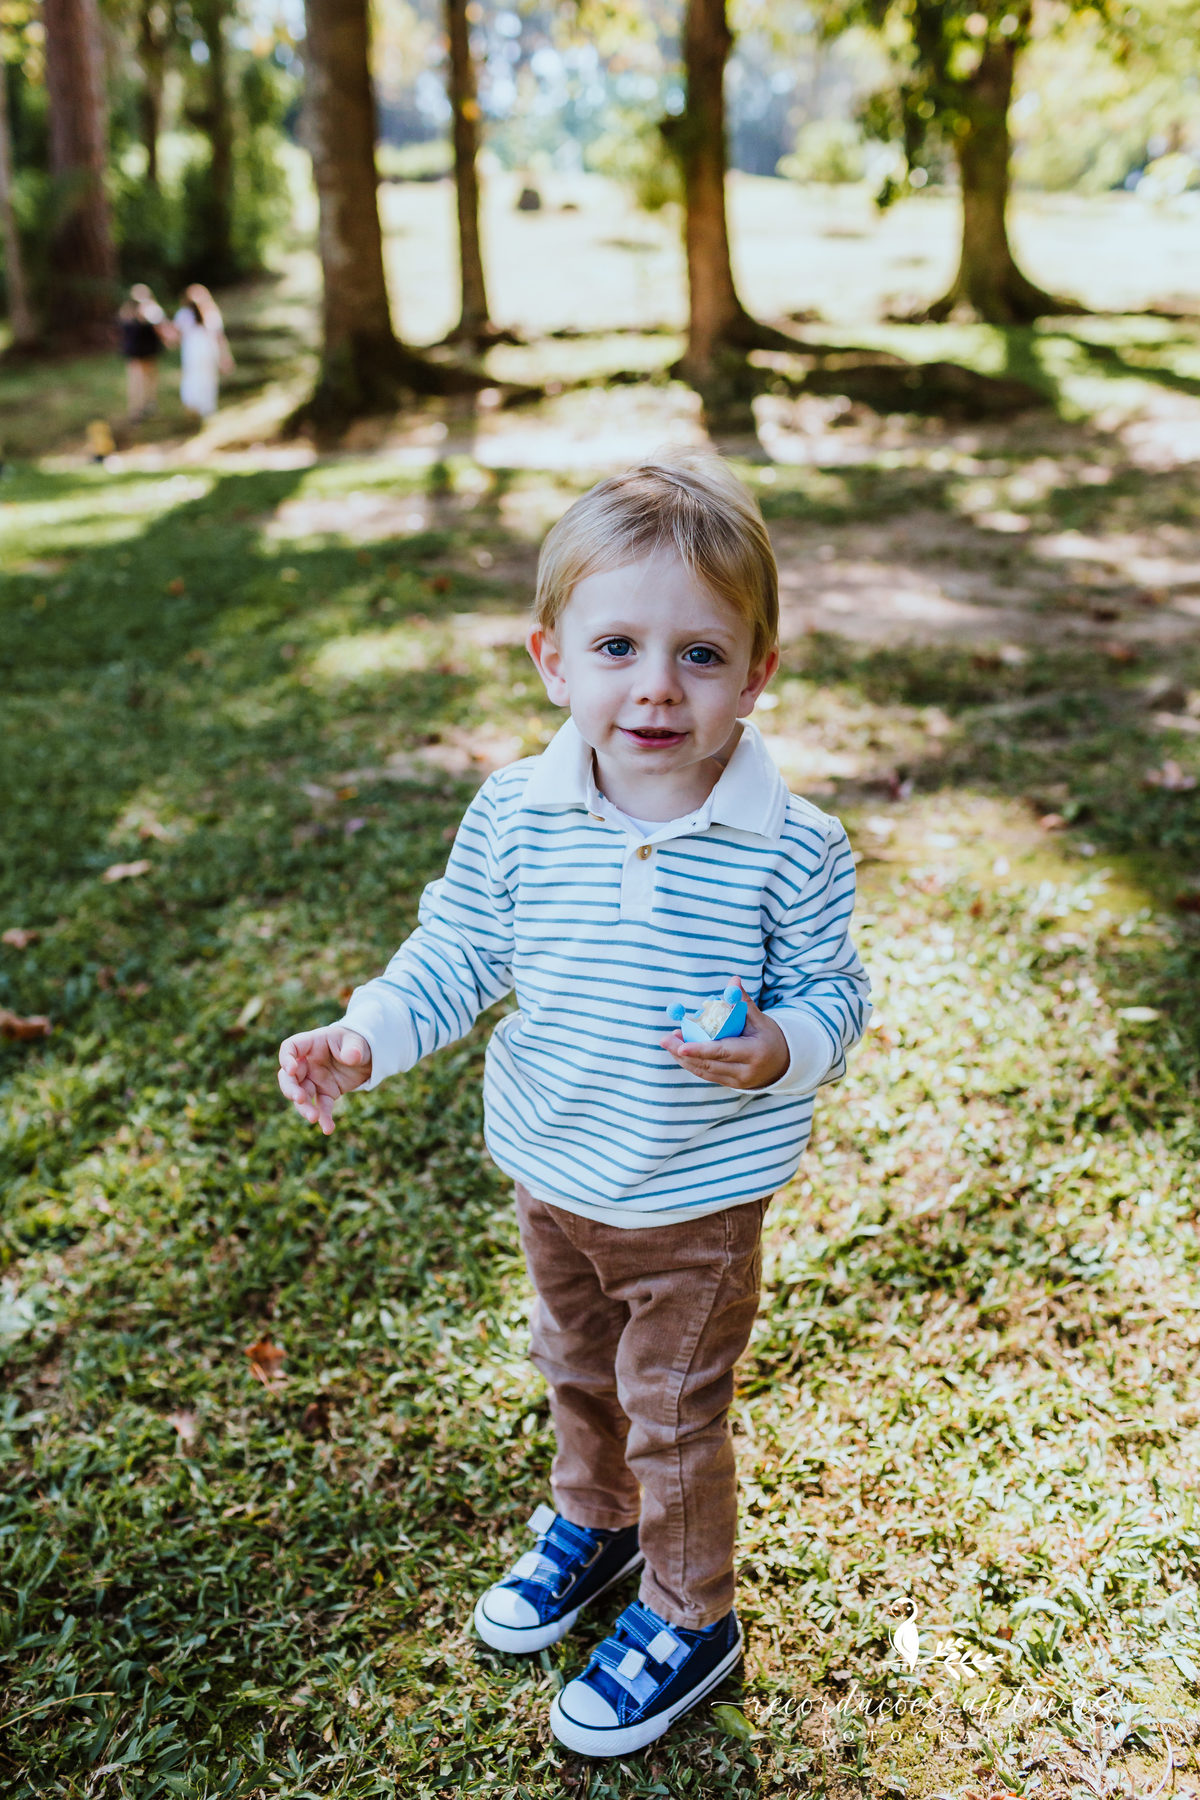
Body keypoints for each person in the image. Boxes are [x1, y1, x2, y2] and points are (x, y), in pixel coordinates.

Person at [277, 454, 871, 1758]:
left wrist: (781, 1045)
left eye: (701, 655)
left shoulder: (793, 844)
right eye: (618, 645)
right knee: (578, 1374)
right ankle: (596, 1527)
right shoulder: (517, 815)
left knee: (669, 1405)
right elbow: (455, 954)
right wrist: (368, 1035)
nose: (656, 685)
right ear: (553, 660)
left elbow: (839, 991)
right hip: (554, 1170)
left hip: (694, 1202)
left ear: (758, 673)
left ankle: (688, 1606)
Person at [173, 283, 233, 419]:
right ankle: (203, 409)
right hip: (204, 352)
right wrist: (225, 356)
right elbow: (220, 338)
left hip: (195, 352)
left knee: (198, 378)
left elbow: (175, 336)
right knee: (204, 379)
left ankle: (197, 407)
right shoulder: (208, 312)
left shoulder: (185, 314)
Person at [117, 284, 172, 420]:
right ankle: (137, 408)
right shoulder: (130, 312)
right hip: (137, 350)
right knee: (138, 380)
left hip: (145, 349)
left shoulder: (149, 311)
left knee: (146, 378)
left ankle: (147, 404)